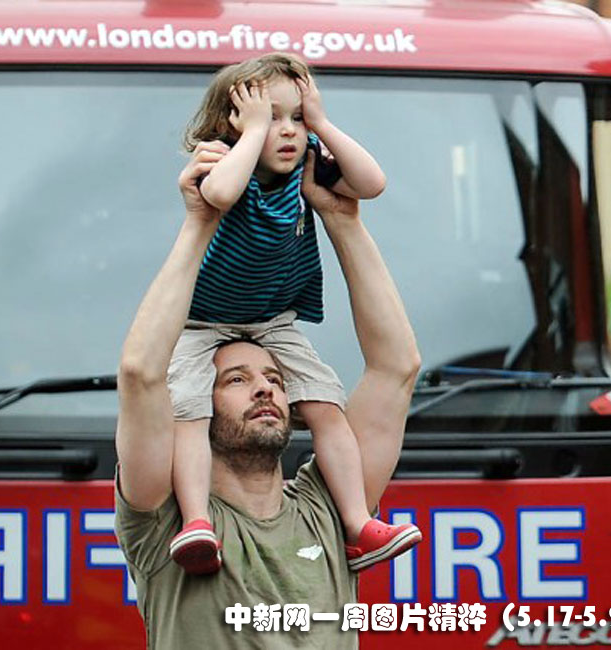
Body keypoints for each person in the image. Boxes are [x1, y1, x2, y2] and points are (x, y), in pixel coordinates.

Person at [113, 142, 421, 649]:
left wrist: (342, 219)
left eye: (276, 380)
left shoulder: (330, 509)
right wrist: (200, 222)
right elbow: (139, 374)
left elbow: (396, 368)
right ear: (198, 398)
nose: (264, 387)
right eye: (236, 380)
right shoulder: (165, 519)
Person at [167, 53, 420, 574]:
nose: (287, 131)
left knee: (327, 405)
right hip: (203, 324)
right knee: (189, 411)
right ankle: (196, 522)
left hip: (271, 321)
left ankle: (357, 522)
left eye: (296, 117)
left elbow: (371, 184)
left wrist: (321, 124)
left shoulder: (306, 166)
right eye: (270, 118)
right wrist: (251, 134)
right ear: (231, 125)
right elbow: (220, 194)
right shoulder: (223, 164)